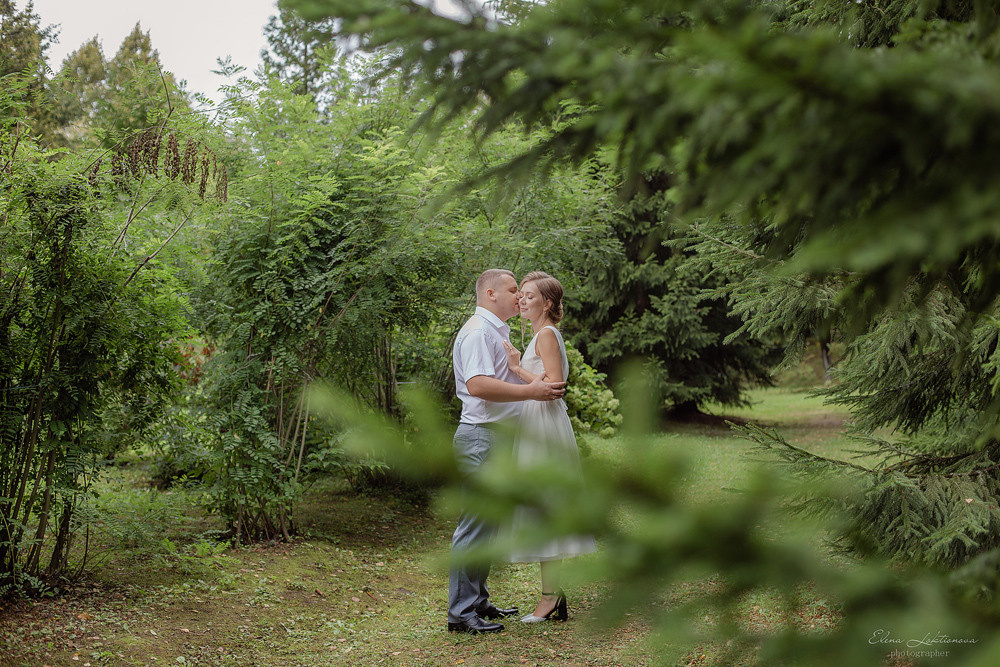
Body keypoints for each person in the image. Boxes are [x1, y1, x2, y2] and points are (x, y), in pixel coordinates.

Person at [448, 268, 568, 635]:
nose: (518, 296)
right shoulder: (478, 332)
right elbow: (479, 384)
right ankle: (461, 613)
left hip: (499, 436)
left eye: (522, 291)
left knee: (489, 525)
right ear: (489, 294)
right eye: (513, 290)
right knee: (475, 525)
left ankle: (478, 601)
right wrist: (530, 392)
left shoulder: (498, 331)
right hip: (482, 435)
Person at [502, 271, 597, 623]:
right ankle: (552, 594)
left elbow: (555, 385)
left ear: (548, 303)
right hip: (537, 419)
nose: (522, 300)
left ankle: (550, 598)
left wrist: (517, 370)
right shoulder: (540, 335)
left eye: (529, 296)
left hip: (544, 422)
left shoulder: (545, 335)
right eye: (521, 295)